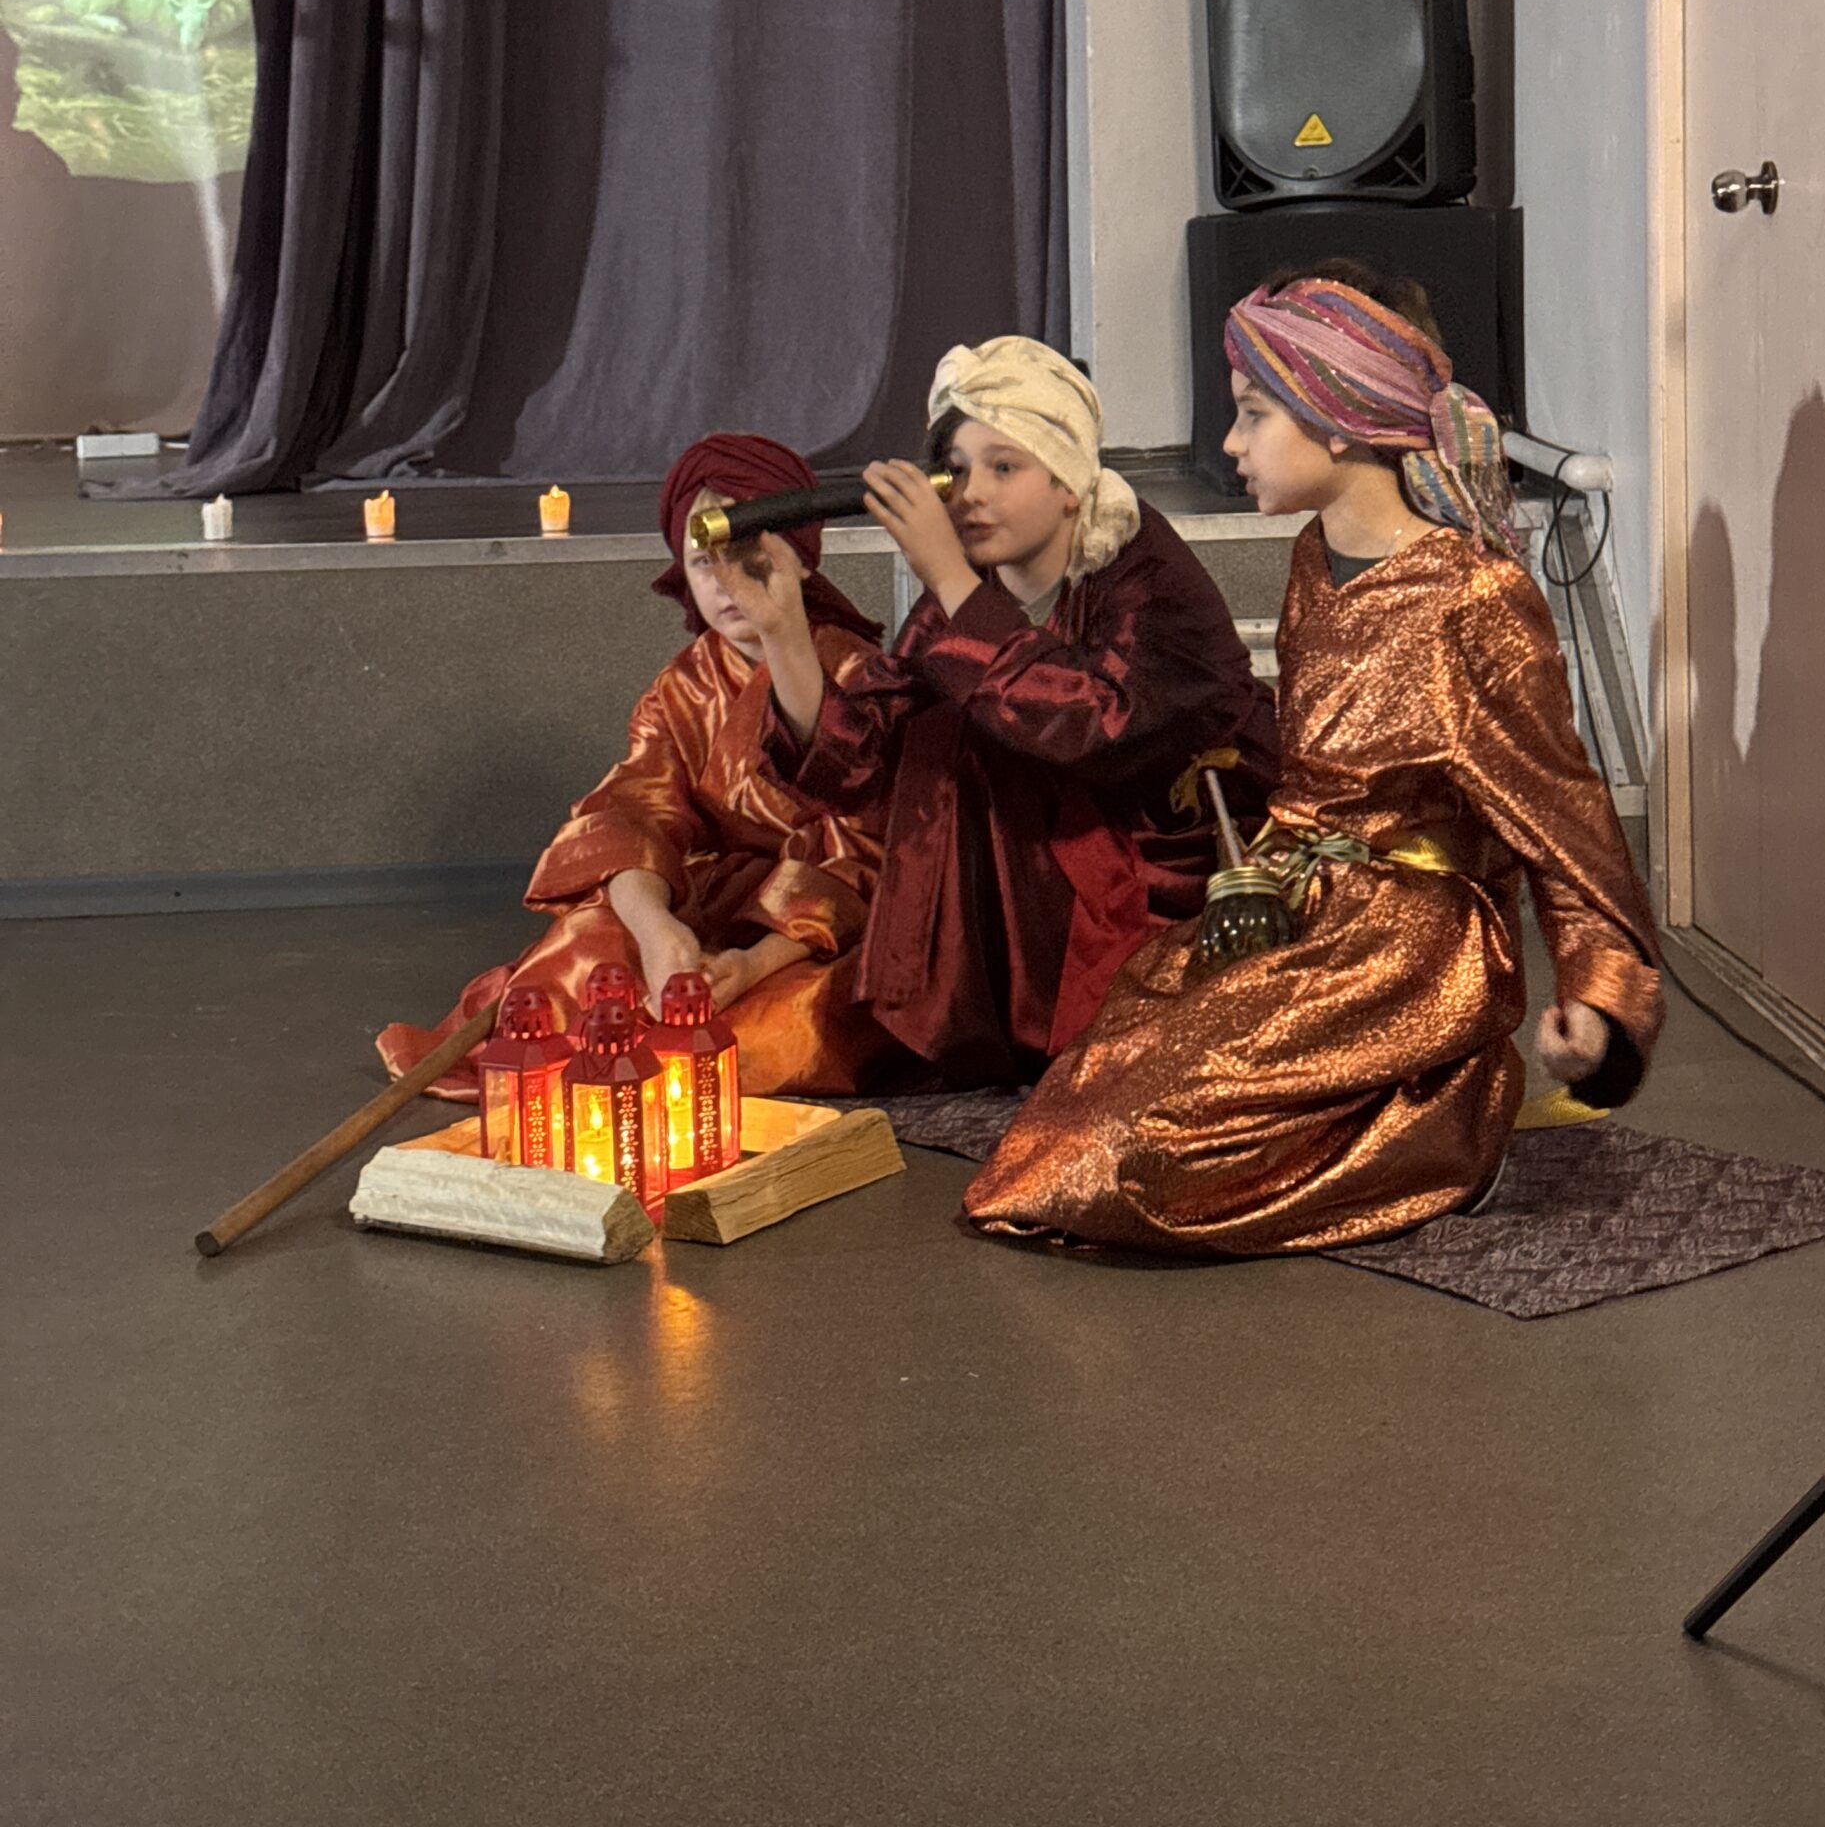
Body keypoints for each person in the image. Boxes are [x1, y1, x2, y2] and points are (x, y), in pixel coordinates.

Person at [961, 267, 1664, 1253]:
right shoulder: (1309, 560)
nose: (1230, 444)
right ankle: (1374, 1118)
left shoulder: (1472, 598)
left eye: (1253, 414)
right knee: (1084, 1093)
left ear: (1340, 420)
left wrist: (1601, 999)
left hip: (1407, 946)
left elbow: (1562, 815)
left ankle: (1445, 1124)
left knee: (1129, 1152)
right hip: (1295, 902)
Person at [722, 337, 1283, 1086]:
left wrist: (949, 578)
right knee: (940, 732)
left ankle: (1053, 1025)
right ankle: (992, 1022)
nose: (971, 494)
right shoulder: (972, 590)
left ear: (1069, 483)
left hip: (1175, 864)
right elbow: (864, 763)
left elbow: (1093, 729)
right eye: (956, 470)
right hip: (1060, 872)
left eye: (1005, 467)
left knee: (976, 727)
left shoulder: (1145, 571)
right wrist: (782, 627)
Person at [375, 434, 899, 1101]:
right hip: (715, 907)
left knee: (786, 1026)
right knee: (583, 949)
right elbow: (630, 815)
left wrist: (753, 962)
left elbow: (869, 849)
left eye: (751, 559)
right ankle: (621, 1042)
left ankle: (653, 1049)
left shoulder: (857, 675)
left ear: (800, 561)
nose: (728, 583)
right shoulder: (680, 689)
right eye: (703, 562)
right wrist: (657, 933)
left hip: (825, 925)